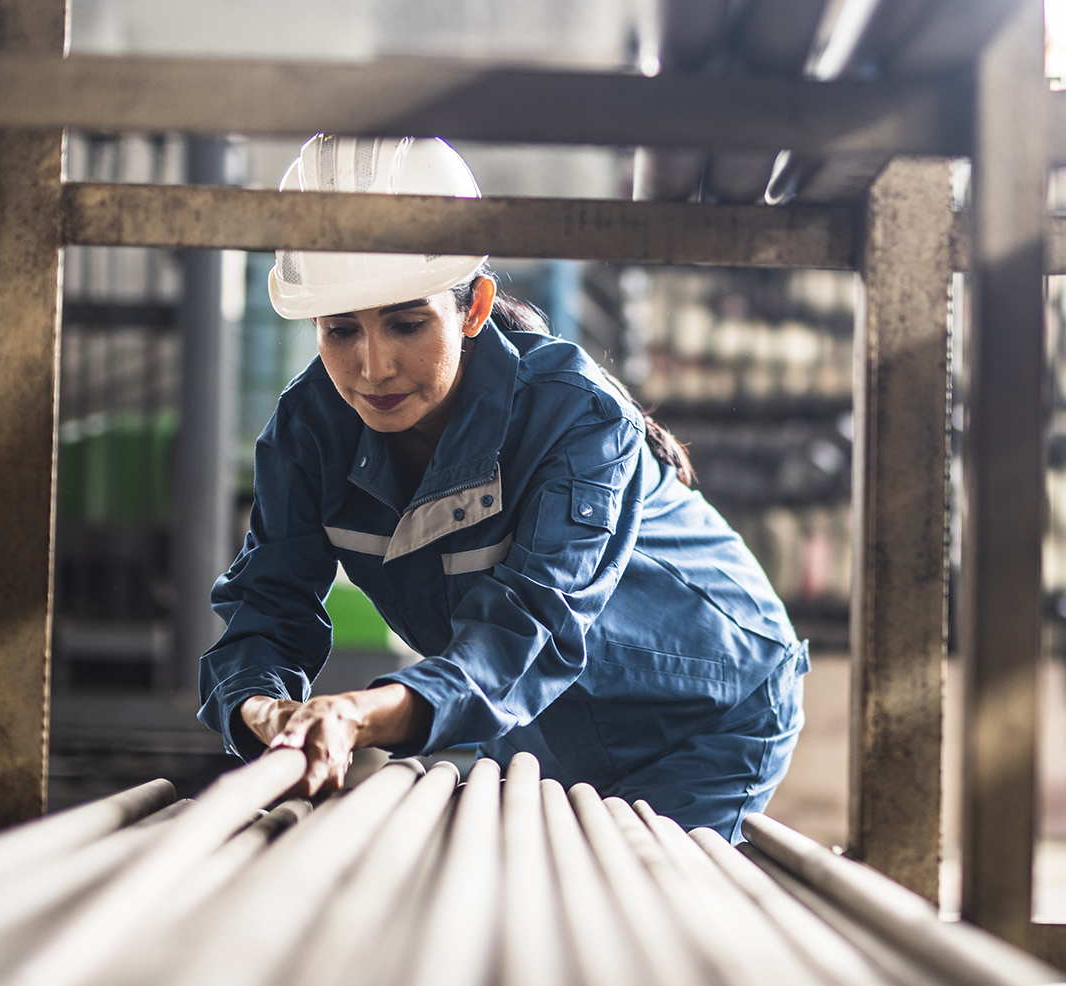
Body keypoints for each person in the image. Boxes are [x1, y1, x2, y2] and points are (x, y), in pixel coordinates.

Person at [198, 134, 807, 841]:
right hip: (537, 719)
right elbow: (268, 608)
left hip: (708, 711)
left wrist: (360, 714)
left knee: (630, 897)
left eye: (406, 324)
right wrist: (264, 709)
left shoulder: (575, 418)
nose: (373, 367)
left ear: (474, 306)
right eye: (340, 331)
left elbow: (529, 627)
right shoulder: (308, 433)